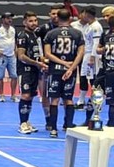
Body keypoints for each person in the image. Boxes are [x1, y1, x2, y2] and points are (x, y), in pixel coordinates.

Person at [43, 8, 84, 138]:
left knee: (54, 99)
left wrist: (61, 62)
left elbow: (47, 54)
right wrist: (70, 67)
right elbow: (81, 53)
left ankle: (53, 129)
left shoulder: (51, 33)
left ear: (57, 18)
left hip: (55, 69)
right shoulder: (77, 33)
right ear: (70, 18)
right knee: (68, 99)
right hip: (70, 70)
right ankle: (68, 125)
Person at [15, 11, 47, 135]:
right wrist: (36, 63)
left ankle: (27, 121)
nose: (34, 23)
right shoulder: (23, 35)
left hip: (35, 70)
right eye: (30, 21)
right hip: (25, 70)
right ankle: (22, 123)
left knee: (31, 96)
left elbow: (38, 54)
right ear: (24, 22)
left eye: (35, 20)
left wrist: (43, 62)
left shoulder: (35, 36)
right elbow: (21, 56)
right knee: (25, 95)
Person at [75, 7, 103, 112]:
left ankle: (96, 102)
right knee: (83, 77)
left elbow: (96, 43)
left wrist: (92, 57)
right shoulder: (89, 26)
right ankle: (81, 101)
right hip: (86, 54)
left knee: (93, 80)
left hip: (92, 55)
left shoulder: (96, 26)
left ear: (87, 14)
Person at [0, 12, 17, 102]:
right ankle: (1, 95)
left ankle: (13, 95)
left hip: (11, 55)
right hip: (1, 56)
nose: (10, 20)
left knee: (14, 76)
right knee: (0, 76)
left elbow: (15, 42)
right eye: (8, 18)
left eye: (11, 18)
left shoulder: (13, 29)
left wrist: (16, 52)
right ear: (3, 19)